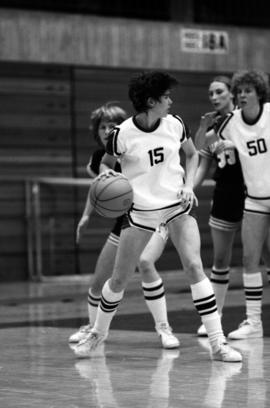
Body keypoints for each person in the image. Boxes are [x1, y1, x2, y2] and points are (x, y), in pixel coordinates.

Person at [73, 70, 242, 362]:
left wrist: (188, 185)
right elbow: (106, 165)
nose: (171, 101)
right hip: (140, 212)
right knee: (119, 279)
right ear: (151, 101)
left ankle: (218, 342)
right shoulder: (121, 134)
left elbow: (193, 155)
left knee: (193, 266)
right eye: (166, 97)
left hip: (176, 207)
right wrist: (110, 178)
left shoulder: (175, 124)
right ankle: (97, 334)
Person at [69, 101, 179, 349]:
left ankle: (164, 328)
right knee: (99, 280)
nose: (108, 130)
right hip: (127, 221)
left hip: (155, 215)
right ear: (96, 131)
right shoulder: (99, 159)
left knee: (145, 263)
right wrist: (86, 216)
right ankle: (92, 327)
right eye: (103, 126)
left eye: (113, 125)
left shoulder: (135, 145)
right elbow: (98, 190)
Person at [195, 69, 270, 339]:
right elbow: (204, 148)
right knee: (247, 259)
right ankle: (252, 322)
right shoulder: (229, 123)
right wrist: (204, 129)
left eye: (247, 90)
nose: (243, 95)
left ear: (259, 93)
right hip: (251, 199)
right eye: (240, 91)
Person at [193, 76, 246, 336]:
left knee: (259, 256)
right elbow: (200, 160)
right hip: (224, 194)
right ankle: (215, 319)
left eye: (219, 92)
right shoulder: (213, 129)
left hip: (251, 192)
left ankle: (254, 320)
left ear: (231, 94)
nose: (214, 97)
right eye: (211, 93)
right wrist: (186, 191)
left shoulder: (246, 121)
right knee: (220, 258)